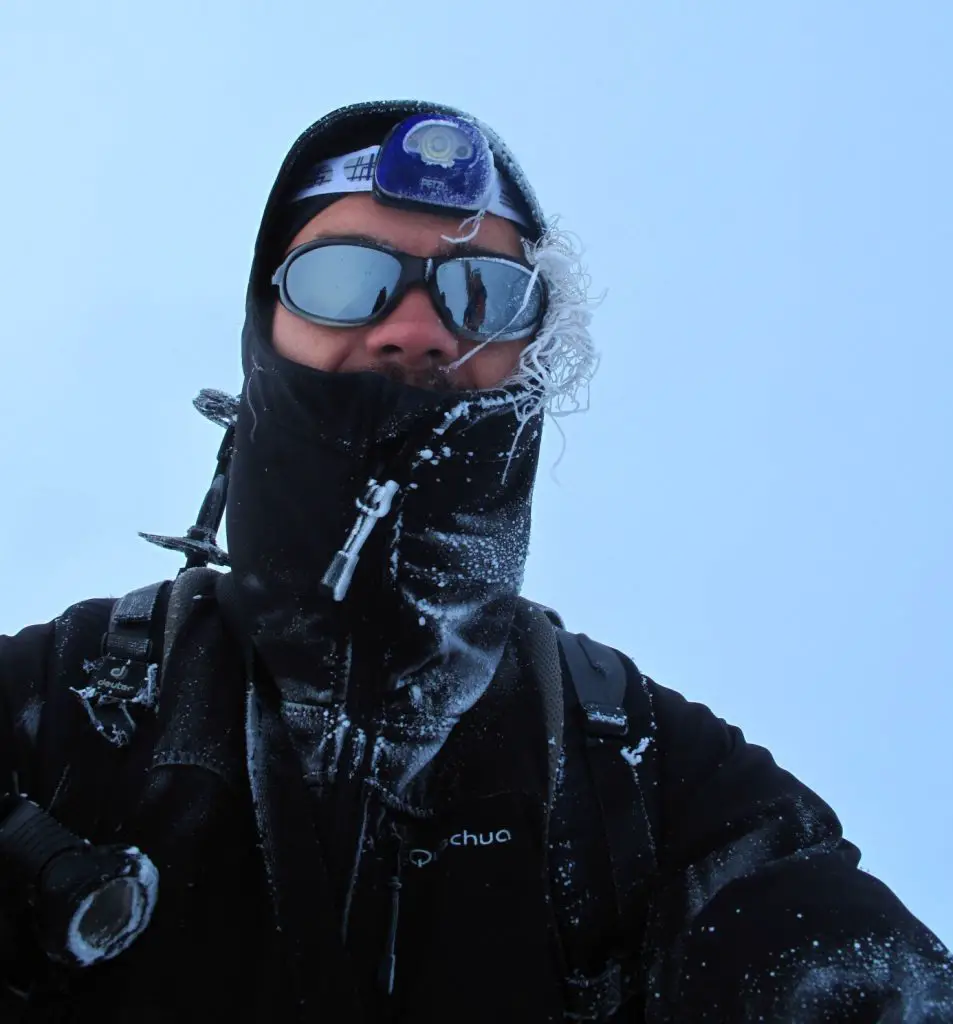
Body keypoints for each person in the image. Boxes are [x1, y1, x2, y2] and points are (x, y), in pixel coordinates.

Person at [0, 100, 950, 1024]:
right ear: (263, 328)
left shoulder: (651, 779)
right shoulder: (57, 705)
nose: (417, 328)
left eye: (483, 292)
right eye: (342, 276)